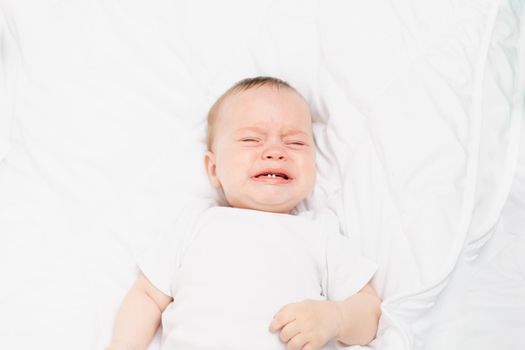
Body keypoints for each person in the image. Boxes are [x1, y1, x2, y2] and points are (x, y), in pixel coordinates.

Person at [107, 77, 381, 350]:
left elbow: (369, 311)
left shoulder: (319, 232)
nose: (275, 152)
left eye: (295, 143)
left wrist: (336, 318)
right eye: (251, 140)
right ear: (214, 169)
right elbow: (147, 295)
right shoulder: (195, 223)